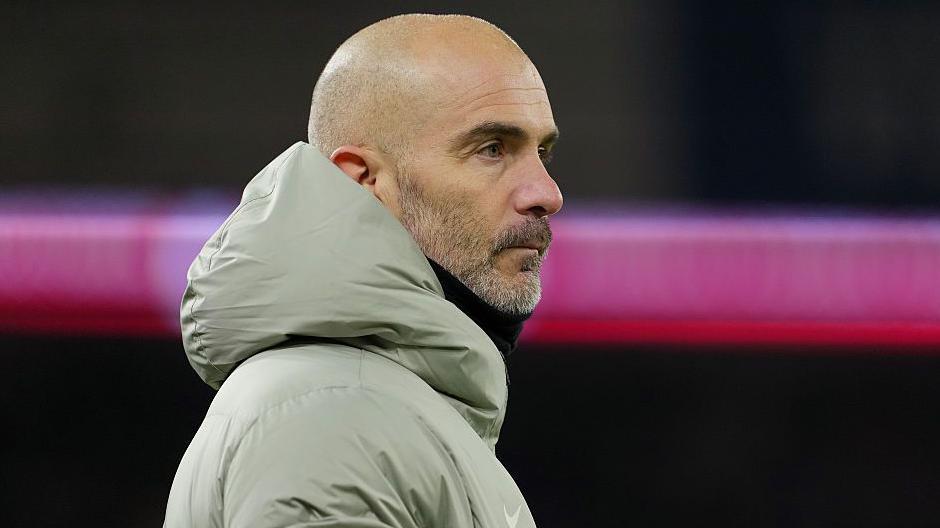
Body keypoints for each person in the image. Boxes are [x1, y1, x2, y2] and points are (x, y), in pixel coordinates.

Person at [164, 13, 562, 528]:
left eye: (542, 152)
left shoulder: (369, 406)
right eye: (492, 150)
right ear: (364, 181)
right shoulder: (333, 419)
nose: (547, 193)